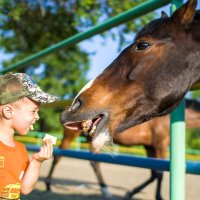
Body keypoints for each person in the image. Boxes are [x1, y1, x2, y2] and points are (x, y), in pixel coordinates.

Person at [0, 72, 58, 199]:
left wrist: (37, 162)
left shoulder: (20, 149)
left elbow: (25, 189)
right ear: (9, 111)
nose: (37, 116)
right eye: (33, 111)